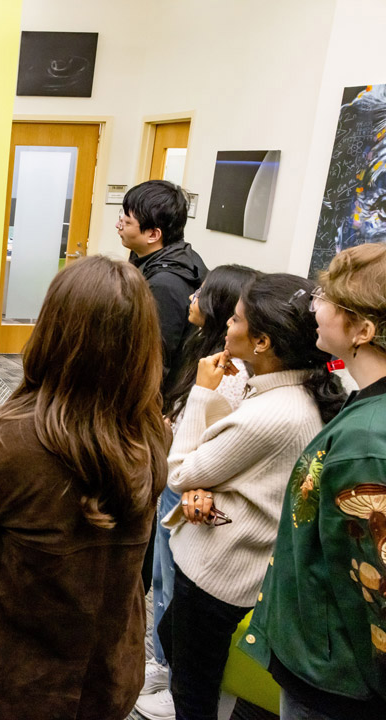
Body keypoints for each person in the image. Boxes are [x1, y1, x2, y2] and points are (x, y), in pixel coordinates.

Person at [0, 256, 169, 720]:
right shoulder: (152, 432)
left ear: (54, 333)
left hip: (11, 687)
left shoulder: (7, 445)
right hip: (106, 680)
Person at [157, 273, 346, 720]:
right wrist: (208, 480)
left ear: (261, 342)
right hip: (229, 565)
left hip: (217, 578)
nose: (228, 324)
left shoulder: (274, 413)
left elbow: (179, 471)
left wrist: (202, 394)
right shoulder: (289, 391)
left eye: (237, 319)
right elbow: (233, 461)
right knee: (178, 647)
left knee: (192, 692)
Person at [243, 243, 386, 720]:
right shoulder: (363, 408)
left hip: (337, 679)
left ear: (363, 330)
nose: (313, 305)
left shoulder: (367, 440)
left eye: (327, 297)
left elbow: (375, 587)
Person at [137, 265, 259, 720]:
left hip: (188, 485)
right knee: (163, 582)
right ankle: (161, 664)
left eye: (202, 293)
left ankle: (173, 677)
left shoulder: (230, 373)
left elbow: (212, 444)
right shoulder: (204, 351)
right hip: (178, 480)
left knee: (174, 591)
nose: (192, 297)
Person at [117, 178, 207, 592]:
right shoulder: (161, 265)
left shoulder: (166, 286)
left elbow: (155, 361)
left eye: (127, 218)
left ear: (153, 234)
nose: (119, 223)